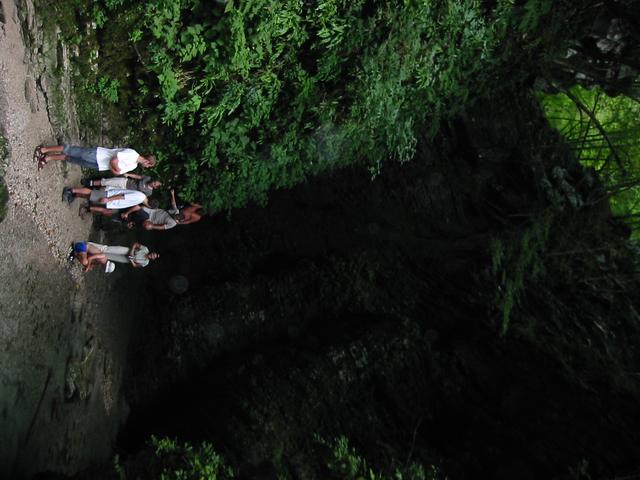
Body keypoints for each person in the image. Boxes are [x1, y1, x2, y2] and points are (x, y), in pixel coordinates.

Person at [34, 144, 155, 174]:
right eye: (149, 166)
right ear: (147, 161)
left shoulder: (134, 165)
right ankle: (43, 149)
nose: (147, 167)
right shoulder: (132, 154)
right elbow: (114, 162)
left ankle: (48, 158)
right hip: (98, 155)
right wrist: (115, 168)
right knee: (72, 150)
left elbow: (117, 172)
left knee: (71, 159)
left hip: (100, 165)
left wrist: (115, 168)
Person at [82, 173, 162, 198]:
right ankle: (89, 183)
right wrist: (128, 174)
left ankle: (88, 192)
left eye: (155, 184)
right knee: (107, 182)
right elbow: (137, 177)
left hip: (125, 191)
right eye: (154, 181)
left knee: (106, 190)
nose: (153, 182)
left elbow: (140, 197)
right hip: (125, 182)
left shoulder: (149, 192)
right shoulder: (148, 178)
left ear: (155, 187)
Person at [86, 241, 159, 268]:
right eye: (153, 254)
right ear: (152, 252)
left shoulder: (146, 262)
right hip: (128, 251)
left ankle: (90, 253)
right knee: (107, 249)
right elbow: (136, 244)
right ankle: (88, 245)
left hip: (128, 260)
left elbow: (135, 265)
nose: (152, 255)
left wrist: (131, 260)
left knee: (108, 256)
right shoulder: (145, 249)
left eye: (153, 256)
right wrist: (132, 251)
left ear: (152, 259)